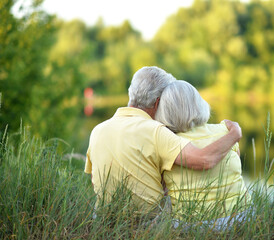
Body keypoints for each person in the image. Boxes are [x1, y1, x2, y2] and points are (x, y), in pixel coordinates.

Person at [84, 66, 242, 214]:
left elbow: (94, 181)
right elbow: (205, 159)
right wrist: (234, 134)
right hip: (147, 223)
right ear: (159, 102)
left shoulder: (98, 130)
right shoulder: (155, 131)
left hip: (103, 217)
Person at [155, 80, 252, 229]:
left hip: (192, 225)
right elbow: (235, 165)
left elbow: (162, 189)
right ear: (199, 104)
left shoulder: (168, 143)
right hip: (242, 216)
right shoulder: (225, 131)